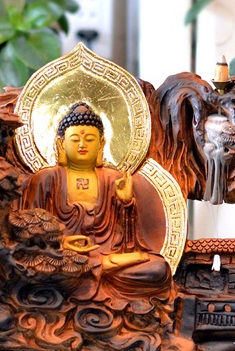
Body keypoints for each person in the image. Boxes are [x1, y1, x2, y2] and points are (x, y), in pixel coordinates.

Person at [20, 103, 171, 308]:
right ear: (61, 144)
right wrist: (60, 243)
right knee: (39, 270)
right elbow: (29, 233)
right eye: (75, 139)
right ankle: (99, 268)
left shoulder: (113, 179)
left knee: (159, 269)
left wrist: (126, 203)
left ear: (101, 143)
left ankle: (97, 268)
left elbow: (128, 241)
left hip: (110, 258)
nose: (82, 144)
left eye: (89, 139)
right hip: (62, 260)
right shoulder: (45, 178)